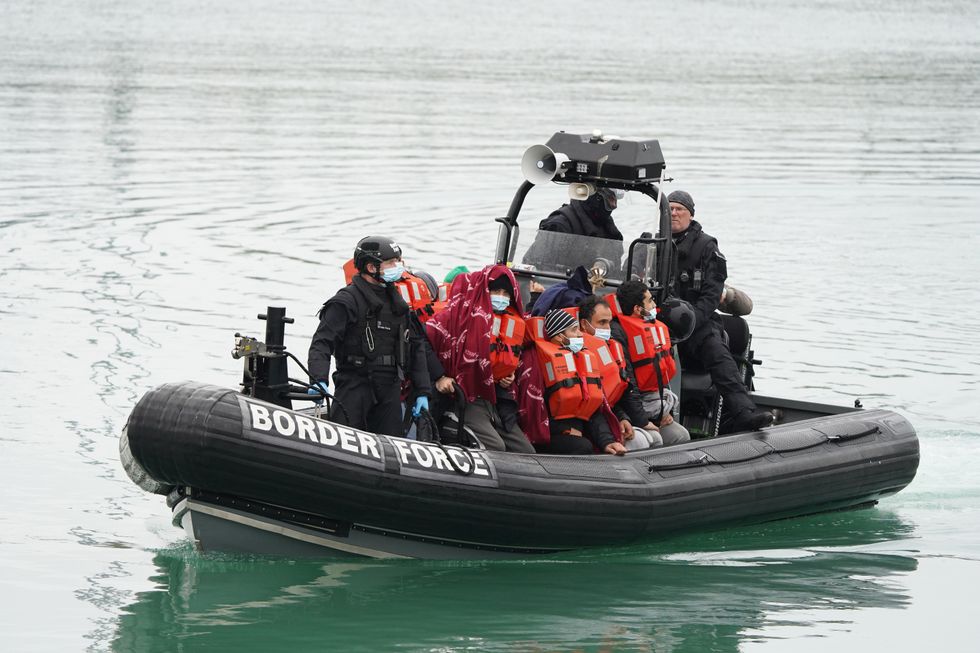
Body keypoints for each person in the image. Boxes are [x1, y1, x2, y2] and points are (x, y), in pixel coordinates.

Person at [668, 190, 773, 431]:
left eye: (679, 209)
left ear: (690, 214)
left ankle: (744, 412)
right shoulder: (650, 241)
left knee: (716, 350)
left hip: (697, 323)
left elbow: (711, 294)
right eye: (670, 208)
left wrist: (689, 321)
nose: (674, 213)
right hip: (657, 322)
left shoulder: (707, 247)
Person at [307, 236, 432, 437]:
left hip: (390, 387)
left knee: (393, 446)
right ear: (371, 267)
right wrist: (318, 378)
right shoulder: (346, 301)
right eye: (391, 262)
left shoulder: (398, 303)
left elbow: (416, 346)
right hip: (355, 384)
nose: (398, 267)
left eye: (399, 261)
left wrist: (423, 391)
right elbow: (322, 342)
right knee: (343, 440)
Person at [425, 265, 536, 453]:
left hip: (494, 398)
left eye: (505, 293)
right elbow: (422, 342)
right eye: (496, 291)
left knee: (527, 452)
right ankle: (451, 420)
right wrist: (440, 376)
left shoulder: (509, 322)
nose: (501, 297)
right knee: (496, 447)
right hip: (464, 396)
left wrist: (506, 378)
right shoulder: (456, 315)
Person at [529, 309, 627, 456]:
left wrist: (608, 442)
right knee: (583, 446)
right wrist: (564, 430)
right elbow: (534, 413)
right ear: (559, 336)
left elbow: (592, 408)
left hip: (578, 430)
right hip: (550, 435)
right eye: (574, 330)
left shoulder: (580, 362)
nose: (581, 334)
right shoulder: (541, 368)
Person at [609, 281, 691, 445]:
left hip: (652, 403)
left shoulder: (652, 329)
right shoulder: (619, 334)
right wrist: (643, 421)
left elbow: (660, 372)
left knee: (682, 435)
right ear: (638, 309)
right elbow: (628, 384)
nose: (654, 305)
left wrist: (662, 413)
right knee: (655, 439)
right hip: (631, 408)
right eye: (650, 300)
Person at [577, 295, 664, 450]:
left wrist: (623, 418)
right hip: (590, 426)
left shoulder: (610, 348)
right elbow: (593, 406)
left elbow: (611, 399)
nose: (607, 329)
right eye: (602, 323)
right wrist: (608, 440)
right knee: (642, 442)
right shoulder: (579, 356)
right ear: (584, 324)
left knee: (655, 438)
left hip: (611, 416)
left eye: (609, 323)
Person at [522, 188, 626, 274]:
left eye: (615, 201)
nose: (614, 206)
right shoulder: (559, 227)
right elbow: (538, 274)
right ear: (597, 198)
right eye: (611, 201)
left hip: (599, 291)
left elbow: (614, 274)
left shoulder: (608, 228)